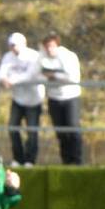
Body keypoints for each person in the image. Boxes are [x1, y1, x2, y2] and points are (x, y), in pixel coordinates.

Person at [0, 32, 44, 167]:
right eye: (11, 45)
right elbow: (0, 73)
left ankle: (30, 160)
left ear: (24, 44)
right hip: (18, 99)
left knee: (32, 132)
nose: (13, 48)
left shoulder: (33, 56)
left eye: (15, 45)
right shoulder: (8, 57)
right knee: (12, 128)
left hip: (34, 100)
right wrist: (3, 79)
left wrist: (11, 80)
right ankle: (18, 158)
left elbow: (30, 75)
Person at [39, 32, 83, 165]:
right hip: (54, 98)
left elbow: (73, 77)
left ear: (57, 45)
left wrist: (54, 76)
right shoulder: (42, 58)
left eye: (51, 46)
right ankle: (66, 161)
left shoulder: (68, 56)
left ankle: (77, 161)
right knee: (60, 132)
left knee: (73, 128)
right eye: (46, 46)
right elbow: (38, 75)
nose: (49, 49)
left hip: (70, 97)